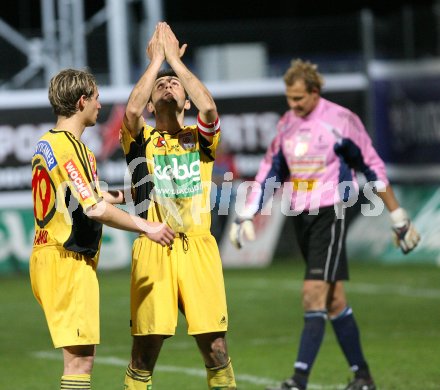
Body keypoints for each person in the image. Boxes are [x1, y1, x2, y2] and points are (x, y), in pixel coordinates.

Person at [229, 59, 420, 390]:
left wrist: (397, 215)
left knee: (312, 294)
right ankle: (363, 377)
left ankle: (298, 380)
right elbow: (270, 172)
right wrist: (247, 213)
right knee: (334, 302)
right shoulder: (287, 125)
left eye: (299, 99)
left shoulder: (341, 121)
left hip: (331, 213)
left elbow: (371, 165)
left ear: (315, 92)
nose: (292, 105)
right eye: (289, 98)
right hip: (301, 218)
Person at [30, 68, 174, 390]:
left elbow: (79, 196)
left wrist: (123, 195)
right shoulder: (70, 148)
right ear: (82, 101)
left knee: (79, 357)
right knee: (80, 361)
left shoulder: (47, 143)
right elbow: (94, 208)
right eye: (96, 98)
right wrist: (146, 225)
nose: (100, 104)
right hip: (66, 260)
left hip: (48, 256)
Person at [120, 22, 237, 389]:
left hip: (199, 246)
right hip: (155, 246)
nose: (167, 84)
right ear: (152, 105)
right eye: (159, 86)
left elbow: (209, 107)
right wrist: (156, 61)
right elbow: (130, 112)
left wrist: (174, 61)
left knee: (216, 348)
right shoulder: (142, 140)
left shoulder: (200, 141)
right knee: (145, 351)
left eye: (175, 85)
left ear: (185, 101)